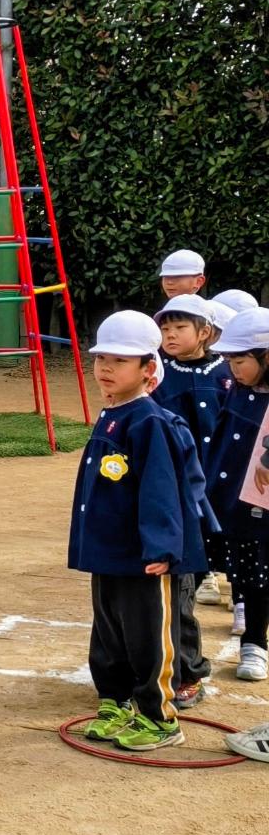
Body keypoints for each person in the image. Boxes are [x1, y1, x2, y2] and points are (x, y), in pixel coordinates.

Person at [70, 311, 211, 750]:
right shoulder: (112, 415)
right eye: (101, 359)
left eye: (120, 360)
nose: (106, 368)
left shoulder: (150, 421)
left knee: (149, 633)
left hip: (144, 555)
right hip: (109, 550)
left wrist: (163, 546)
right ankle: (115, 699)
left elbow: (163, 491)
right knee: (109, 628)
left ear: (148, 369)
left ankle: (158, 716)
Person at [152, 294, 229, 706]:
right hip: (175, 499)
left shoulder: (226, 373)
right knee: (175, 589)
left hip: (216, 498)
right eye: (165, 328)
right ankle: (175, 667)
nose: (169, 335)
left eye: (179, 327)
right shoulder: (158, 372)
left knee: (186, 587)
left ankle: (190, 670)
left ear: (206, 332)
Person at [208, 306, 269, 684]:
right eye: (229, 359)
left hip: (262, 504)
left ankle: (255, 643)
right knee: (243, 567)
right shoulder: (236, 390)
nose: (233, 367)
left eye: (241, 359)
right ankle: (245, 619)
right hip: (231, 497)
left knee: (261, 572)